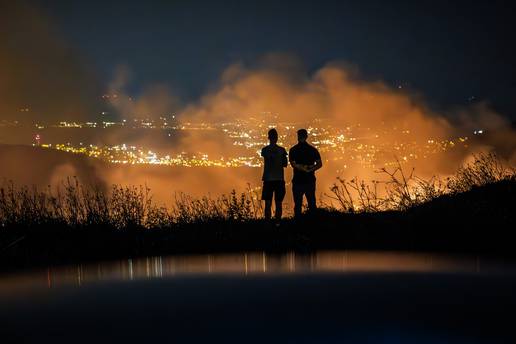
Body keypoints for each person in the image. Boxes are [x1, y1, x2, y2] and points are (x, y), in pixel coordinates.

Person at [289, 129, 322, 217]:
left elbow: (293, 164)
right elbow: (319, 164)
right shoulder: (312, 150)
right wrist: (310, 169)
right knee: (311, 204)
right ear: (306, 137)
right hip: (309, 180)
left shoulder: (293, 150)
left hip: (298, 181)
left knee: (298, 205)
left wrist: (302, 168)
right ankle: (312, 224)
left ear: (298, 137)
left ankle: (298, 225)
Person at [261, 128, 288, 221]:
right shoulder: (282, 150)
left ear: (268, 137)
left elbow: (265, 156)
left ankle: (268, 223)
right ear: (277, 138)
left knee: (268, 203)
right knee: (278, 203)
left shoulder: (264, 150)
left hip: (268, 179)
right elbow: (285, 164)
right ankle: (277, 223)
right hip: (279, 179)